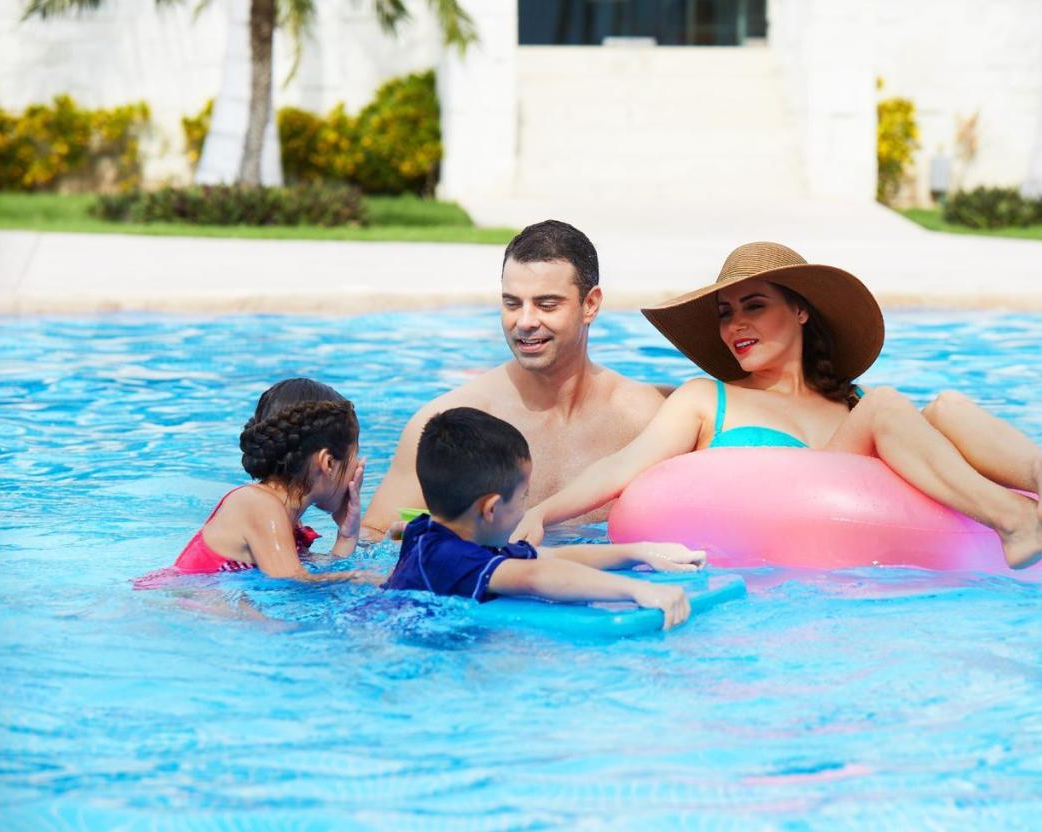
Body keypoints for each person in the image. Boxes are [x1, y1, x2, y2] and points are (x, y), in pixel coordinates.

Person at [513, 242, 1042, 569]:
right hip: (763, 583)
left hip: (871, 587)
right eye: (724, 313)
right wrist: (541, 511)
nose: (734, 325)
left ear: (801, 311)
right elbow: (625, 467)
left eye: (754, 306)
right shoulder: (705, 400)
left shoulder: (858, 407)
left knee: (947, 406)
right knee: (897, 407)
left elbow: (959, 461)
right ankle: (1019, 522)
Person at [362, 220, 666, 540]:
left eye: (546, 305)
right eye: (512, 303)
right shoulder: (449, 425)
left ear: (590, 304)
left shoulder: (647, 417)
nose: (525, 321)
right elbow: (373, 540)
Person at [382, 408, 704, 630]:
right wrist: (636, 590)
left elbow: (548, 557)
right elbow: (537, 575)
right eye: (524, 497)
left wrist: (639, 552)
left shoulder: (430, 533)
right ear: (490, 510)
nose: (526, 507)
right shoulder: (451, 558)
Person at [134, 378, 378, 589]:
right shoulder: (260, 506)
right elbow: (293, 583)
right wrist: (366, 578)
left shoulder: (284, 516)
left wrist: (347, 536)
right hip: (171, 600)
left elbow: (311, 580)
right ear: (328, 463)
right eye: (354, 455)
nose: (358, 466)